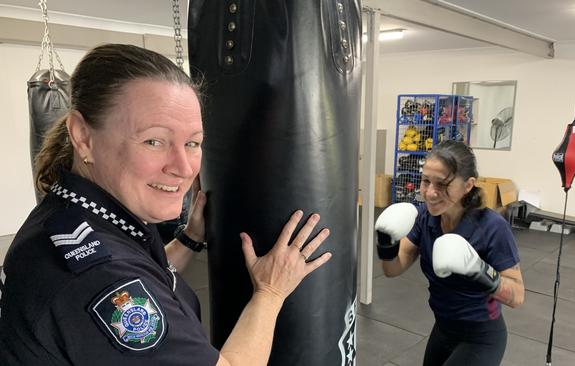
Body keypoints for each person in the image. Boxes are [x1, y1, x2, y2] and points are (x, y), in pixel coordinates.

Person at [0, 43, 331, 366]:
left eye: (192, 143)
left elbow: (139, 269)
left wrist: (189, 238)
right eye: (153, 141)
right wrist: (271, 292)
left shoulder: (73, 217)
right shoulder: (98, 278)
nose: (184, 168)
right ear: (83, 137)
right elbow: (117, 279)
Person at [375, 140, 524, 366]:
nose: (431, 193)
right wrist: (387, 243)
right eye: (426, 181)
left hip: (481, 337)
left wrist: (478, 270)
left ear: (467, 185)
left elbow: (517, 296)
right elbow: (393, 269)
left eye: (443, 184)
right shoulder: (425, 217)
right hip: (443, 328)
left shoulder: (491, 227)